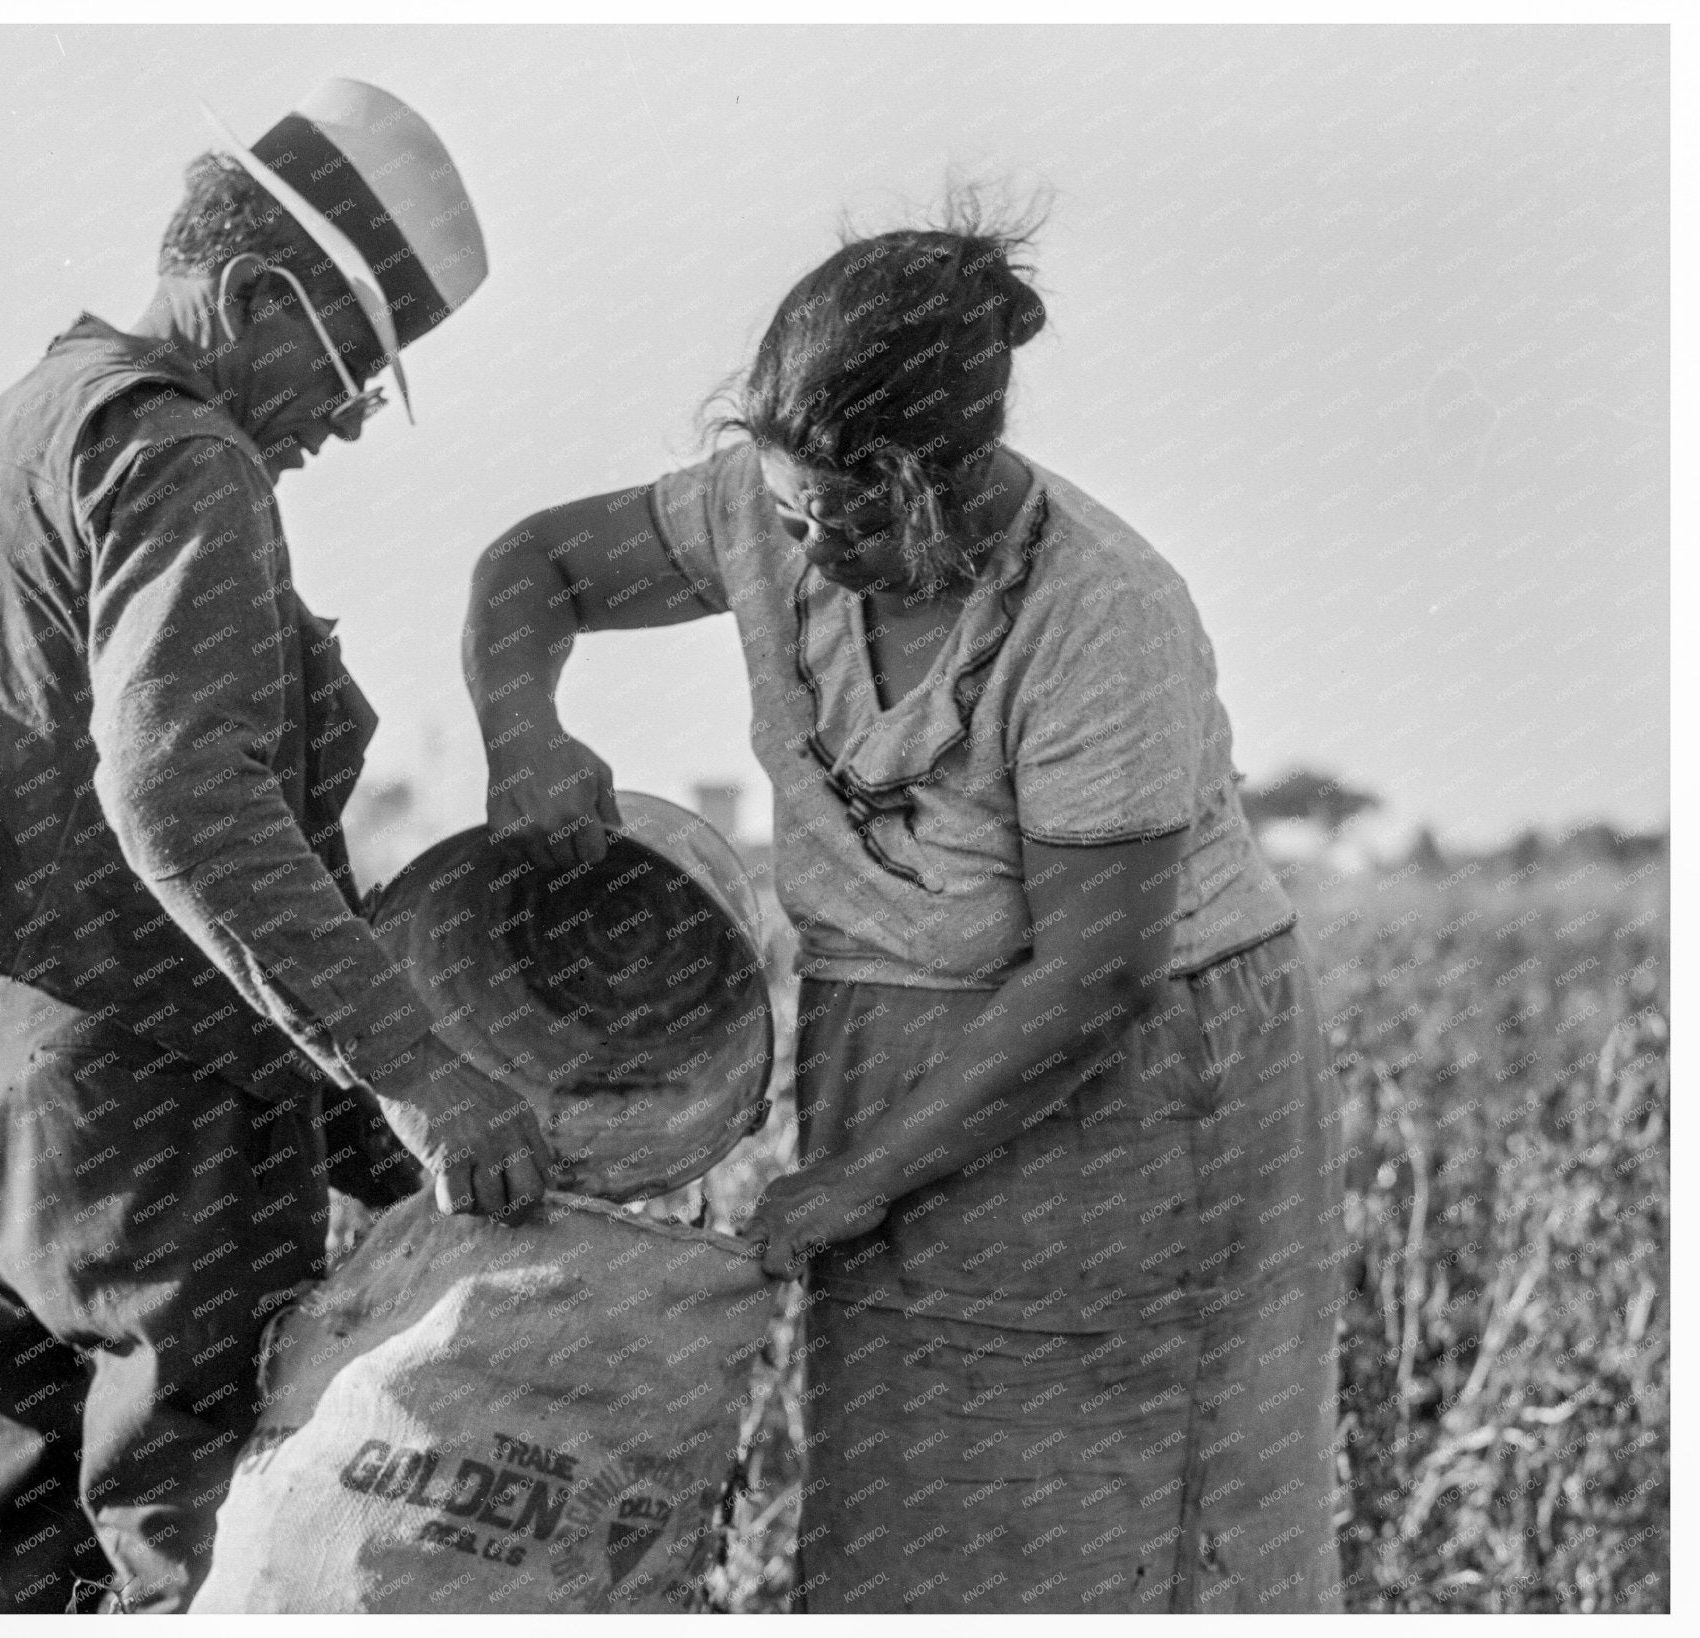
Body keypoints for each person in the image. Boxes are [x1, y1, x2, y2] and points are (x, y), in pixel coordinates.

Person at [462, 198, 1344, 1613]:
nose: (811, 556)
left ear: (951, 478)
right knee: (904, 1516)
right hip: (896, 1054)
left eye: (857, 521)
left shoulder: (1102, 613)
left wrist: (859, 1180)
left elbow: (1095, 976)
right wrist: (523, 736)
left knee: (1118, 1517)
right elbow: (532, 569)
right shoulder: (765, 513)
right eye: (791, 515)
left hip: (1128, 1092)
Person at [0, 79, 553, 1614]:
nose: (348, 416)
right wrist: (423, 1069)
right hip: (146, 1120)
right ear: (256, 294)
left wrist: (376, 1145)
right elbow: (183, 795)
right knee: (194, 1566)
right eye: (353, 364)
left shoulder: (9, 432)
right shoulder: (187, 449)